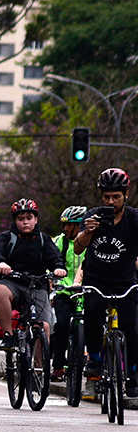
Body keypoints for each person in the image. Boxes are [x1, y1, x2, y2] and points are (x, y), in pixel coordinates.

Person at [73, 168, 138, 397]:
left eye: (116, 197)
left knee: (131, 324)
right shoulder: (93, 215)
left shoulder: (133, 218)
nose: (110, 202)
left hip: (125, 280)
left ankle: (131, 372)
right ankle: (95, 359)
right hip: (96, 277)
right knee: (91, 308)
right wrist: (87, 232)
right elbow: (78, 248)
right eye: (106, 197)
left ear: (126, 195)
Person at [0, 199, 66, 353]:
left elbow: (55, 257)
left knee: (43, 328)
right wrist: (1, 263)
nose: (25, 222)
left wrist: (58, 268)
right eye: (20, 219)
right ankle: (8, 336)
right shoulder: (7, 238)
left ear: (36, 220)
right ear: (15, 221)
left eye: (29, 218)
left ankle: (38, 372)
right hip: (13, 283)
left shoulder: (43, 240)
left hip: (37, 285)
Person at [50, 205, 87, 381]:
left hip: (86, 291)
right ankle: (58, 365)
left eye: (69, 225)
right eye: (64, 224)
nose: (65, 228)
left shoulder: (90, 240)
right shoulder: (60, 241)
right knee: (62, 324)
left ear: (80, 225)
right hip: (64, 291)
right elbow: (50, 259)